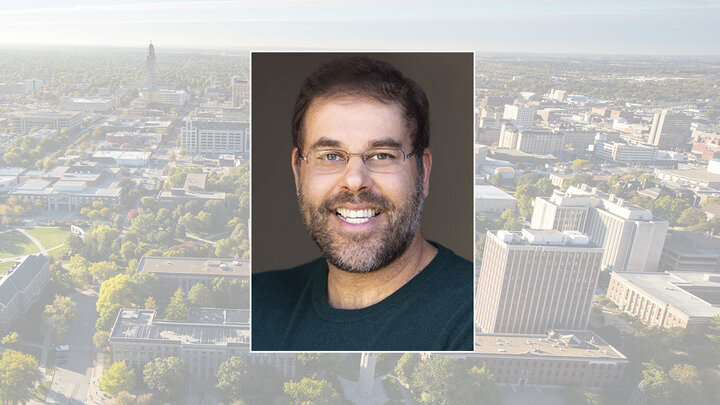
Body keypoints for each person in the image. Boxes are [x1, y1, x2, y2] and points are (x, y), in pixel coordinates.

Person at [252, 56, 472, 351]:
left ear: (424, 171)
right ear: (298, 172)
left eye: (382, 155)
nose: (355, 180)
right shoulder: (255, 303)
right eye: (330, 155)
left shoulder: (475, 322)